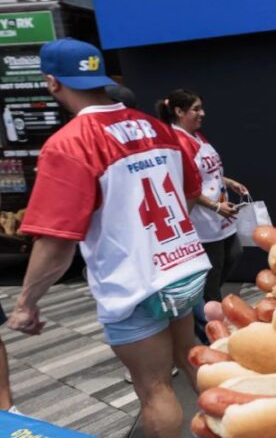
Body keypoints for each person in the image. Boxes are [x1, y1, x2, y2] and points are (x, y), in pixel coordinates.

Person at [6, 38, 211, 438]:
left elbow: (55, 244)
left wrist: (26, 303)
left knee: (154, 389)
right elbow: (188, 192)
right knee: (191, 360)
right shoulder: (158, 128)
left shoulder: (69, 144)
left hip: (135, 283)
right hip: (181, 267)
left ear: (52, 82)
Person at [156, 90, 248, 307]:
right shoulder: (178, 142)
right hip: (203, 221)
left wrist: (229, 181)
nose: (202, 113)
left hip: (220, 216)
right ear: (179, 111)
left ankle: (207, 303)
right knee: (212, 275)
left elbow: (205, 172)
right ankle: (211, 323)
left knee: (235, 253)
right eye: (196, 109)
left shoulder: (196, 135)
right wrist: (215, 207)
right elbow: (185, 185)